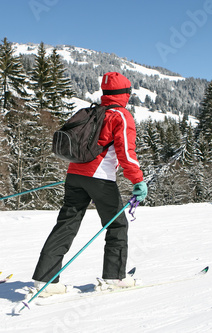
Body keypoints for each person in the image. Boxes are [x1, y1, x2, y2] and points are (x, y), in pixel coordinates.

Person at [32, 72, 148, 295]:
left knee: (66, 224)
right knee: (117, 224)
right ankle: (114, 277)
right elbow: (126, 153)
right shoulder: (121, 116)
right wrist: (138, 181)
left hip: (74, 174)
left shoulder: (94, 112)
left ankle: (45, 280)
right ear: (125, 94)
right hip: (100, 178)